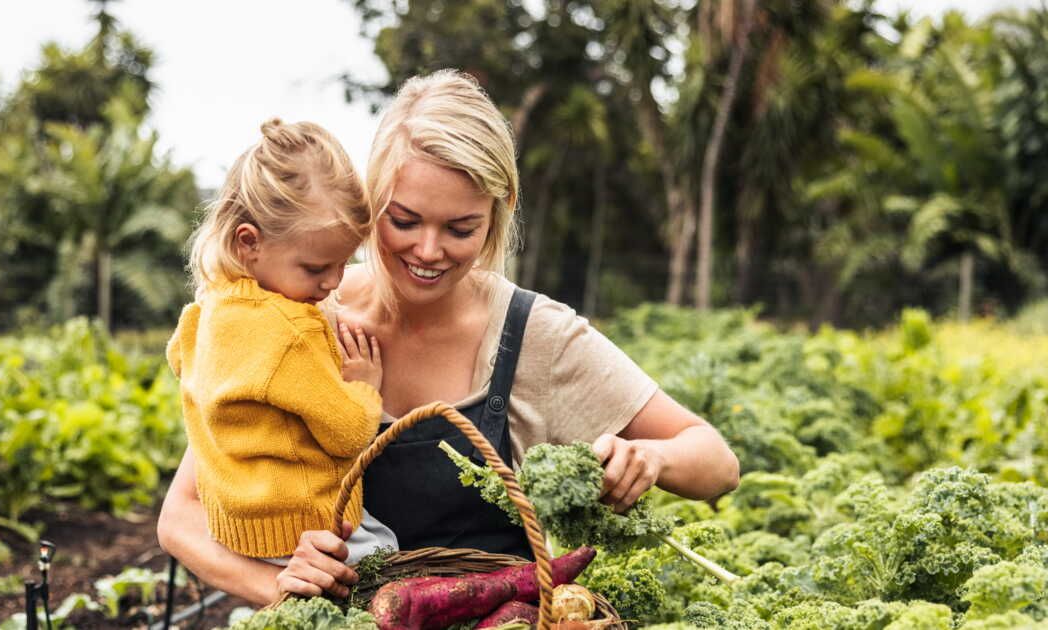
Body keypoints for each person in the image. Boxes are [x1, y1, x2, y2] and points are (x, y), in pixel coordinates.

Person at [157, 71, 740, 606]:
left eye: (461, 228)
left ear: (499, 211)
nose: (428, 251)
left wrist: (651, 457)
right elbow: (181, 515)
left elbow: (715, 461)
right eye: (404, 220)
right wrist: (283, 586)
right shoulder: (303, 318)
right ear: (370, 201)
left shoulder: (536, 335)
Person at [165, 118, 398, 572]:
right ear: (249, 242)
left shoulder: (205, 310)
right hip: (310, 529)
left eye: (343, 262)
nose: (334, 282)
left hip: (236, 527)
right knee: (392, 566)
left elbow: (181, 359)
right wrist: (365, 386)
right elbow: (349, 432)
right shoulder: (292, 330)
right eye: (315, 268)